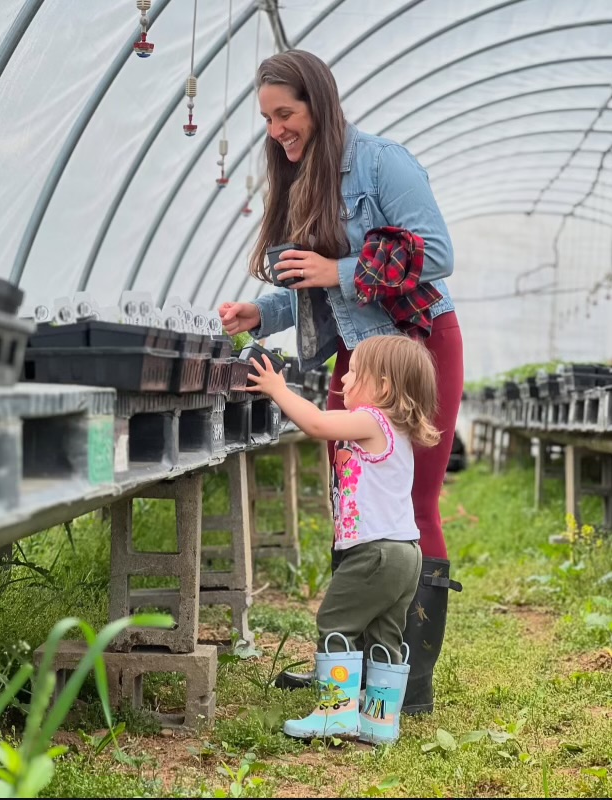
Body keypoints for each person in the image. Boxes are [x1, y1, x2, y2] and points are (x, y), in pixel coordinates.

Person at [218, 50, 464, 715]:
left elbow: (438, 252)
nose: (276, 131)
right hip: (356, 356)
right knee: (352, 501)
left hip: (413, 350)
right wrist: (261, 313)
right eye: (267, 119)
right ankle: (346, 667)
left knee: (412, 504)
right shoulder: (303, 179)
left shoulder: (382, 163)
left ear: (319, 104)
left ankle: (408, 682)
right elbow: (314, 287)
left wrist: (340, 272)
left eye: (285, 114)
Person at [246, 335, 438, 741]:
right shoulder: (396, 429)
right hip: (406, 553)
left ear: (383, 387)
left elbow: (317, 424)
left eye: (353, 372)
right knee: (384, 635)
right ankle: (379, 721)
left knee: (336, 622)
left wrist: (279, 390)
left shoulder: (372, 419)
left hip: (376, 553)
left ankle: (335, 713)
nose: (344, 380)